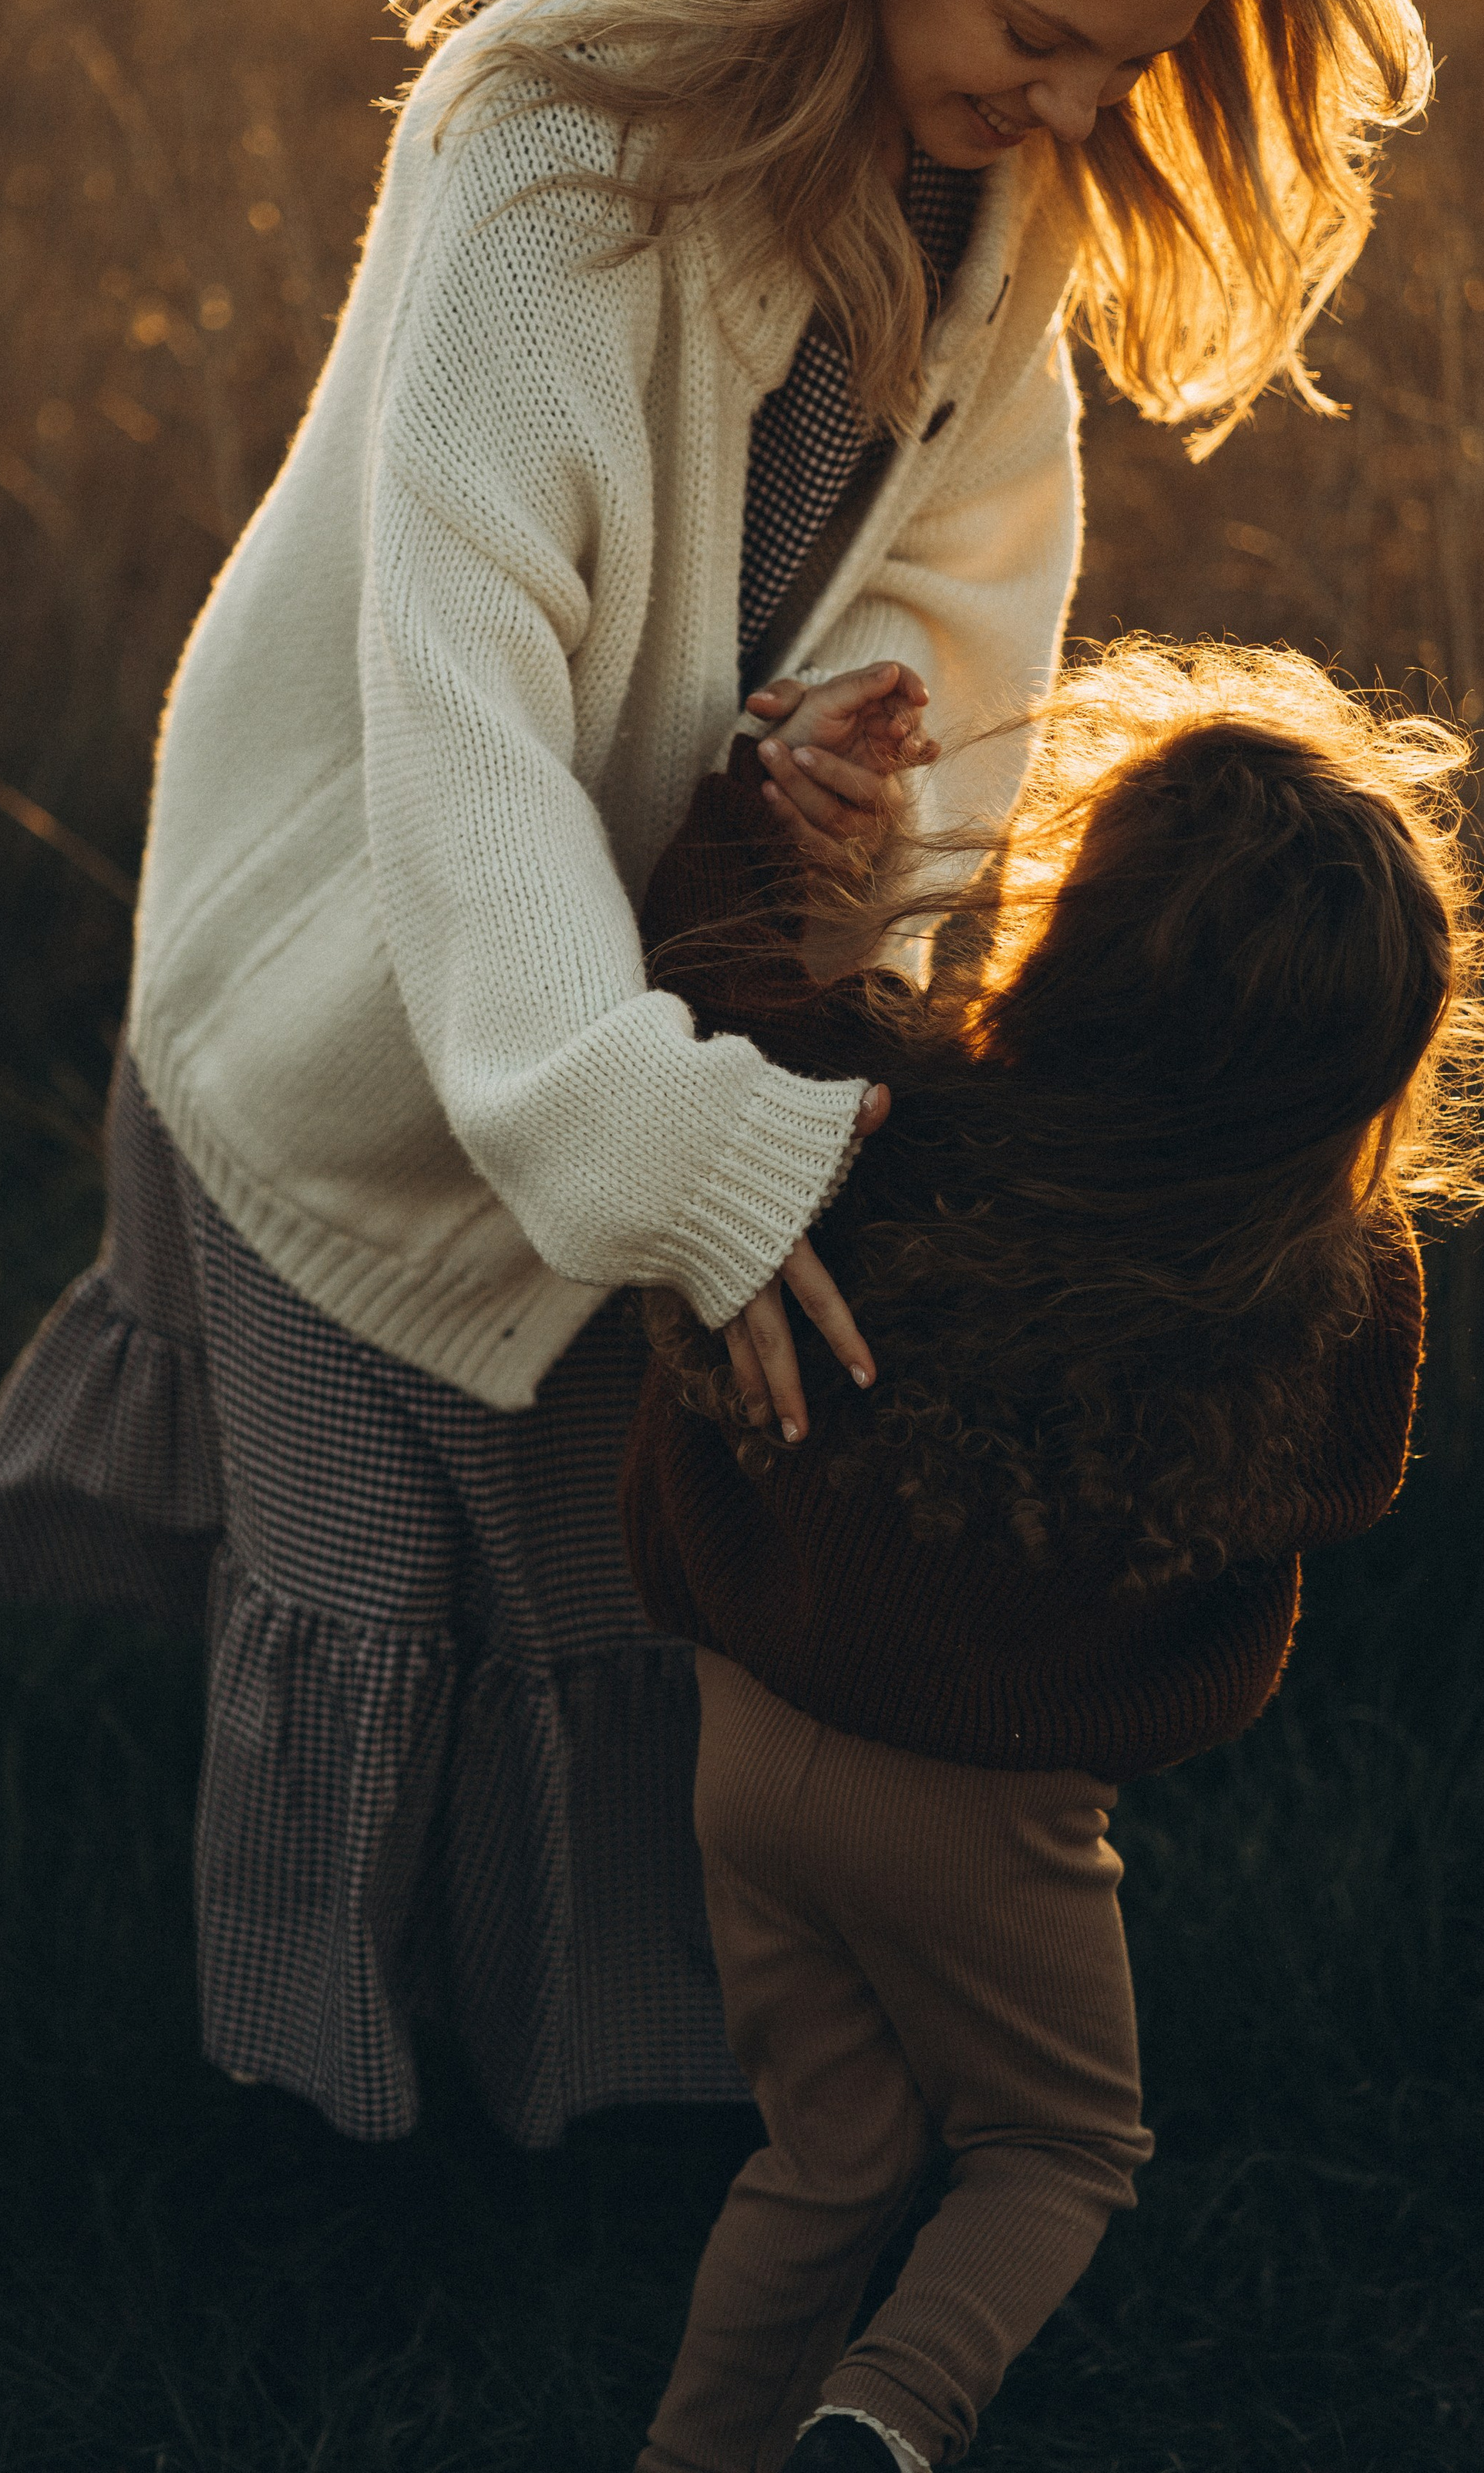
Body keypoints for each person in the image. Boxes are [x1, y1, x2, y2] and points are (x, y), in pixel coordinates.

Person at [0, 0, 1428, 2148]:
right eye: (1039, 26)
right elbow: (474, 688)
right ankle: (316, 2126)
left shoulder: (997, 179)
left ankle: (607, 2105)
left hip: (672, 946)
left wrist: (847, 804)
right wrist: (684, 1160)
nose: (1072, 101)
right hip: (387, 947)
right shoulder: (561, 128)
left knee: (602, 1570)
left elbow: (968, 579)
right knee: (375, 1568)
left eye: (1131, 61)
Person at [620, 638, 1481, 2473]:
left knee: (827, 2148)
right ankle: (884, 2417)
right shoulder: (1319, 1301)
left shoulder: (866, 1112)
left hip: (741, 1730)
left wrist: (764, 816)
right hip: (978, 1809)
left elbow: (709, 977)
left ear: (1063, 928)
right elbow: (1344, 1491)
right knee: (1056, 2148)